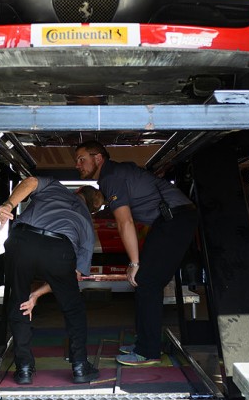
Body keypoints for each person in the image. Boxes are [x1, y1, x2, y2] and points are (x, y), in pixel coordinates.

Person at [74, 140, 197, 366]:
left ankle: (148, 352)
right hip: (169, 221)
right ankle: (146, 343)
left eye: (82, 159)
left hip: (174, 220)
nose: (78, 165)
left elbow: (125, 222)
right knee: (145, 283)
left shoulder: (111, 177)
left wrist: (134, 263)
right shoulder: (113, 176)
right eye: (77, 161)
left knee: (147, 282)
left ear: (98, 158)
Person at [0, 177, 103, 385]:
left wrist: (8, 204)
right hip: (59, 250)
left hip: (22, 241)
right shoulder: (87, 223)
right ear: (93, 210)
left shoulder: (54, 187)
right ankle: (80, 366)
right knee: (74, 309)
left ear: (78, 190)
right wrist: (38, 294)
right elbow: (76, 274)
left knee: (18, 300)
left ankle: (24, 368)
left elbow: (31, 181)